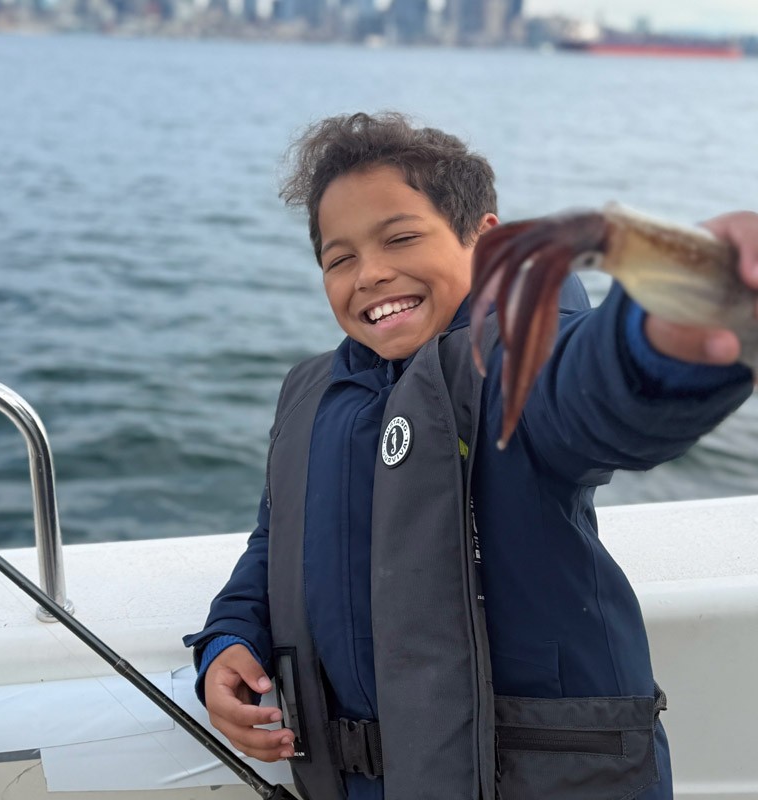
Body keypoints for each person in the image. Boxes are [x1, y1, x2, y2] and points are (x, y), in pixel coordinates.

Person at [184, 112, 757, 800]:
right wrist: (229, 639)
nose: (369, 274)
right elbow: (273, 546)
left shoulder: (516, 357)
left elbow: (590, 397)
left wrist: (659, 338)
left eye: (400, 237)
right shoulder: (310, 396)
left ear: (486, 242)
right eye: (339, 259)